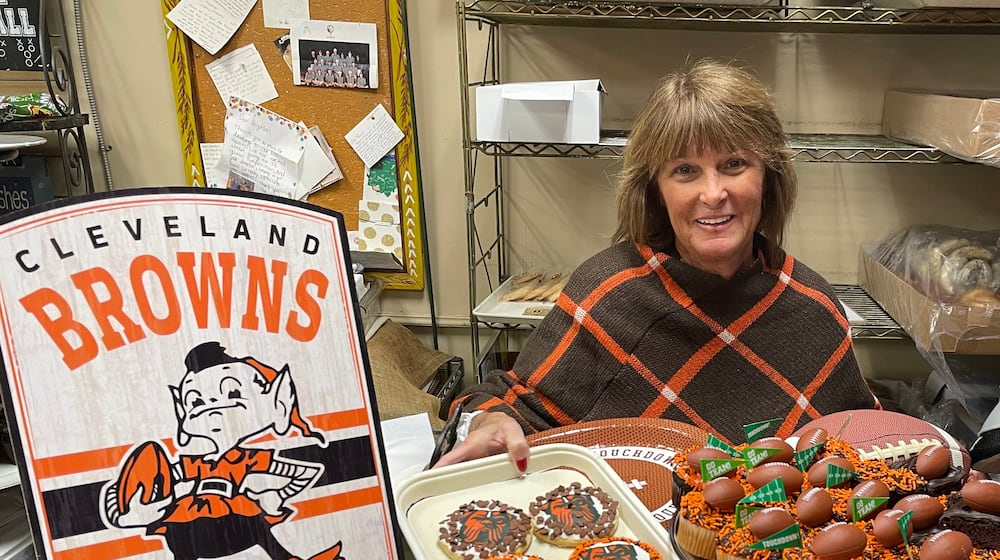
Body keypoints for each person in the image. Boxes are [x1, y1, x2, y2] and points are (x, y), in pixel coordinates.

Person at [435, 59, 879, 472]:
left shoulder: (812, 305)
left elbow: (857, 444)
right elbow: (505, 403)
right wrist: (488, 423)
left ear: (769, 177)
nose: (712, 193)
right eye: (685, 171)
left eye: (734, 164)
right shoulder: (610, 293)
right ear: (655, 191)